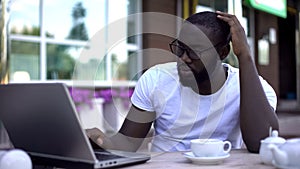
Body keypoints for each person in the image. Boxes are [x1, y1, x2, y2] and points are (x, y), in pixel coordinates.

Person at [87, 11, 279, 153]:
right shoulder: (156, 80)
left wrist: (244, 55)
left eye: (194, 51)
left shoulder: (253, 89)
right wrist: (102, 141)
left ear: (222, 53)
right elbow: (128, 142)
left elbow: (260, 142)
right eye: (180, 49)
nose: (184, 58)